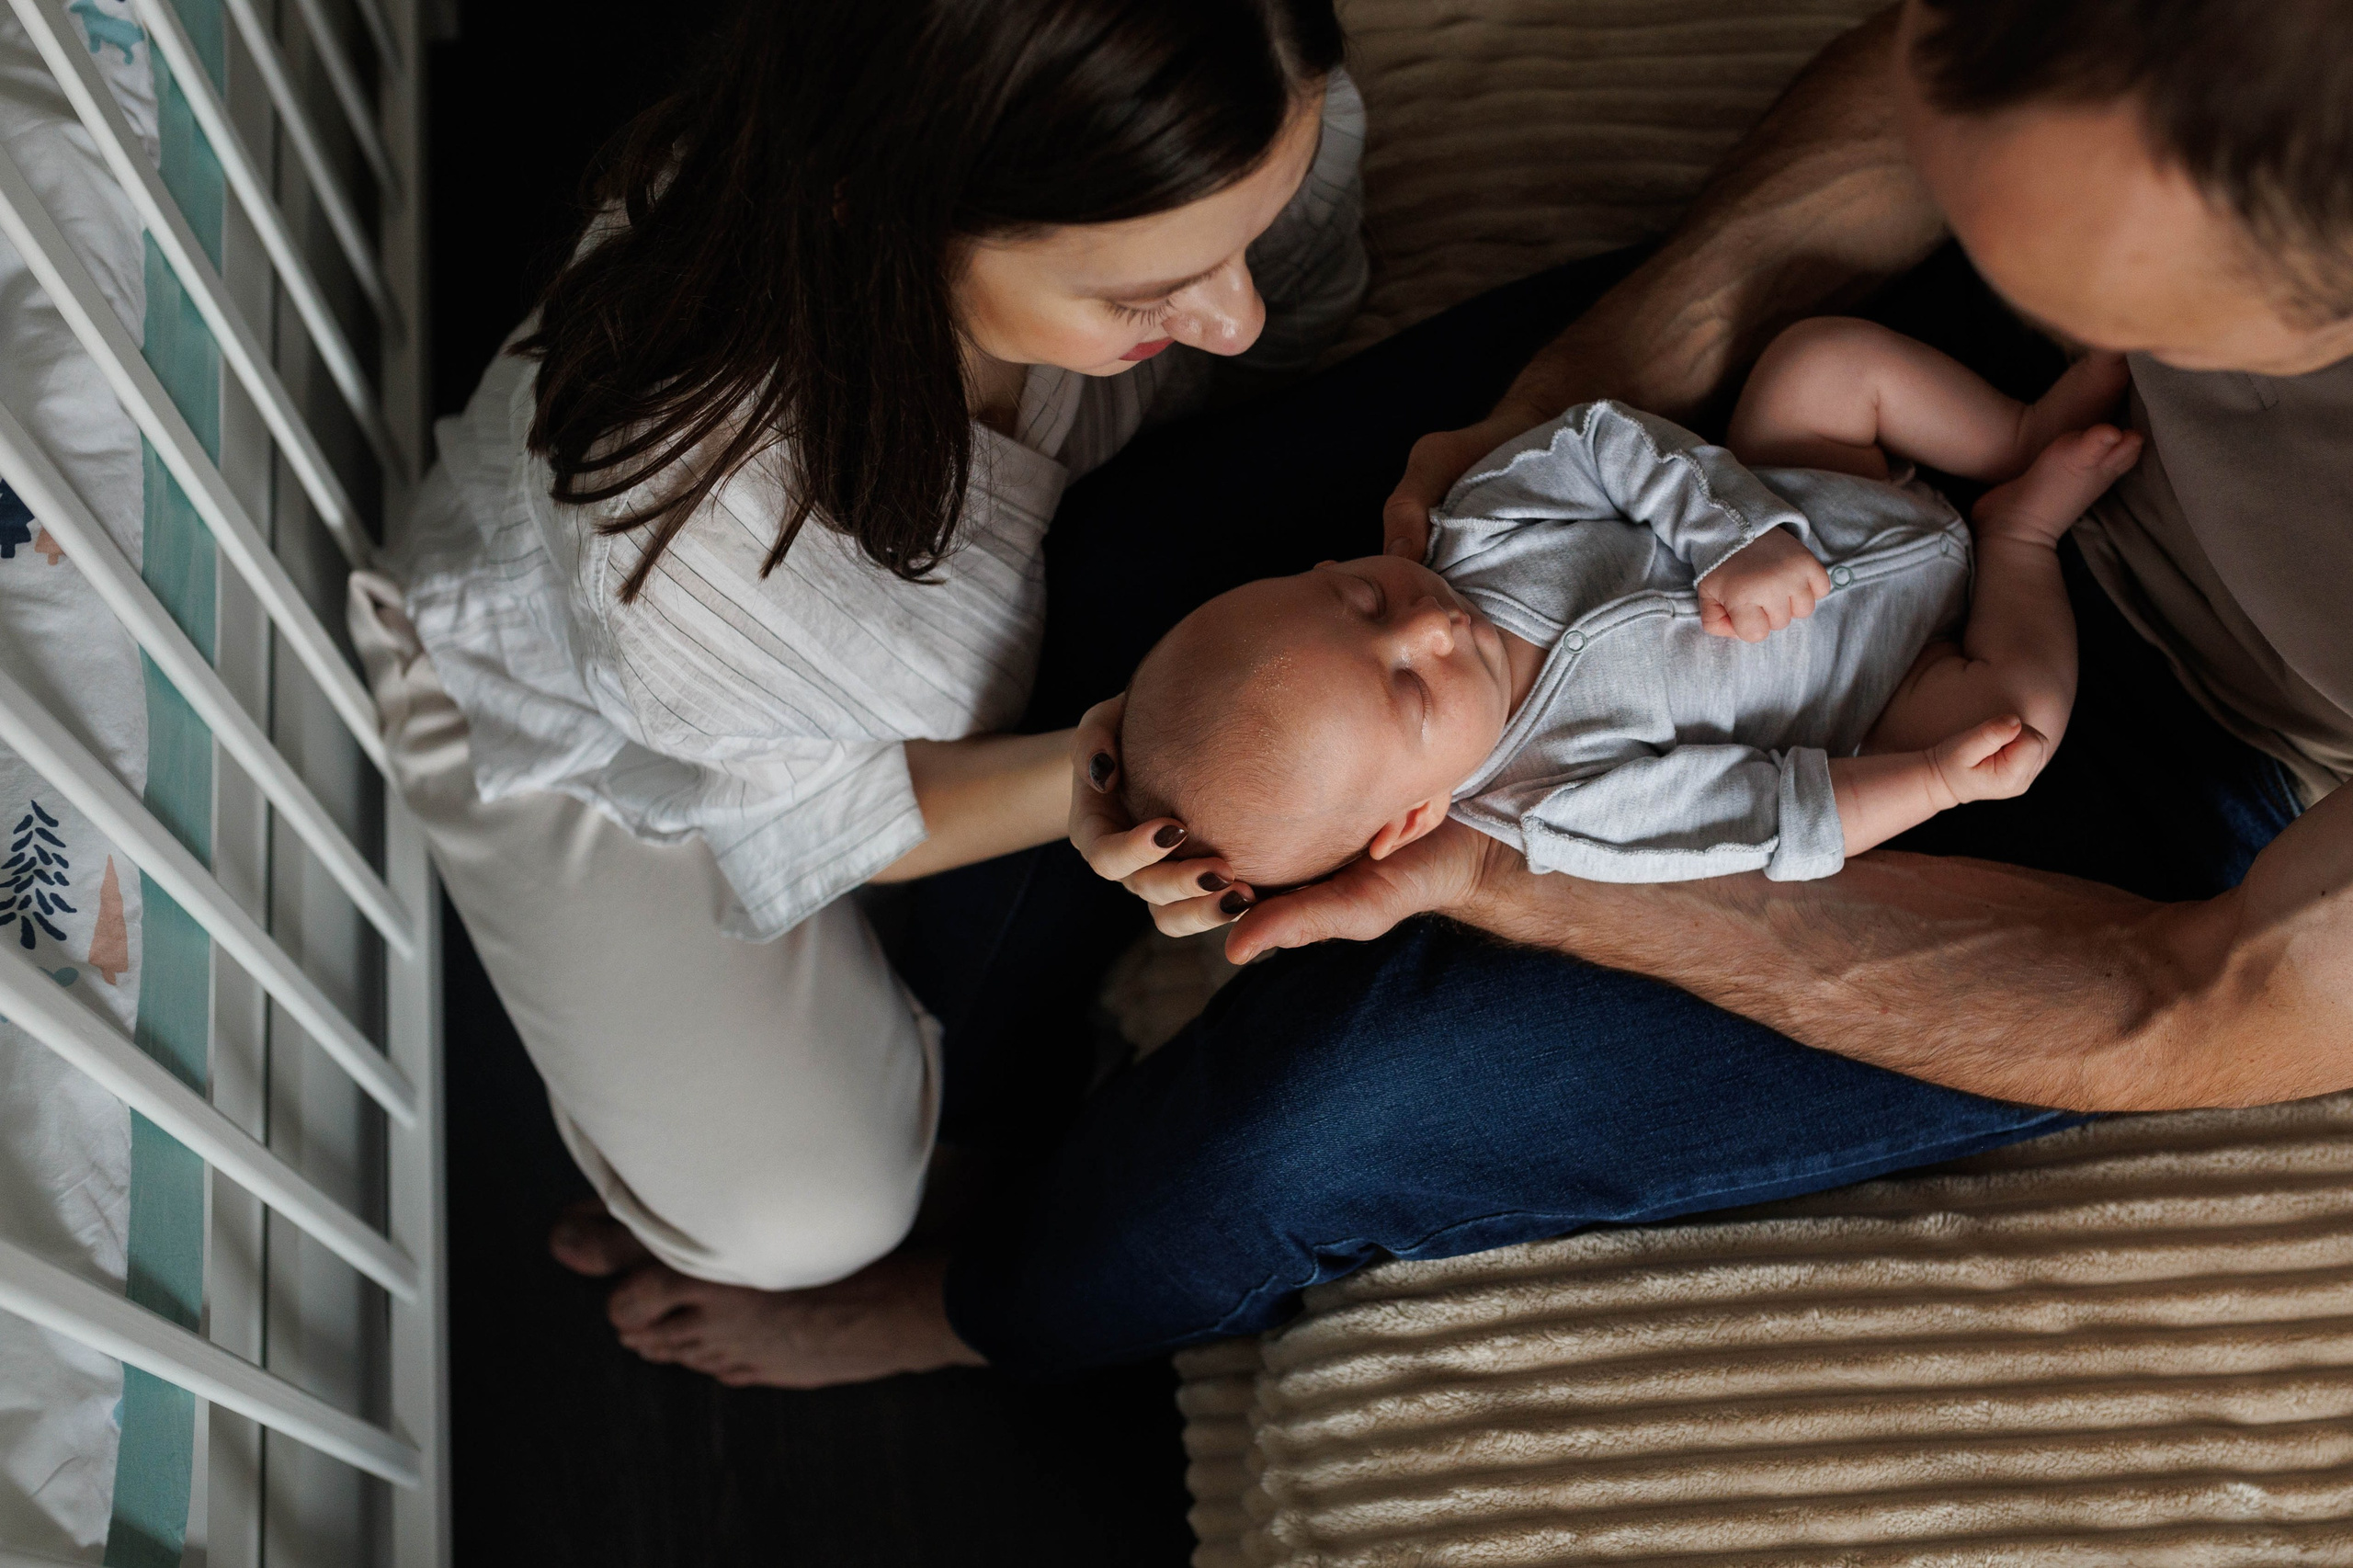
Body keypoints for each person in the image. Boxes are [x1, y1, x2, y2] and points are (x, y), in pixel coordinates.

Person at [582, 0, 2347, 1387]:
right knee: (1132, 594)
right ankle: (956, 1094)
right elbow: (1900, 111)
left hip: (2142, 721)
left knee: (1313, 1121)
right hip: (1839, 460)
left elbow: (2201, 1004)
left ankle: (989, 1300)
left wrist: (1540, 880)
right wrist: (1585, 396)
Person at [346, 0, 1367, 1380]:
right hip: (585, 726)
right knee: (805, 1210)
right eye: (1147, 298)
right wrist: (1095, 773)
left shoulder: (1229, 96)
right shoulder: (689, 552)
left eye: (1247, 237)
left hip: (829, 668)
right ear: (887, 215)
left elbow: (1283, 325)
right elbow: (833, 814)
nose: (1228, 320)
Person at [1113, 328, 2140, 891]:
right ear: (1413, 817)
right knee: (2011, 735)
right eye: (1411, 688)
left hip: (1802, 489)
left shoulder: (1475, 526)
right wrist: (1928, 781)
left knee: (1814, 366)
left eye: (1359, 595)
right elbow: (1760, 817)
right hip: (1885, 682)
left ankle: (2009, 435)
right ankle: (2020, 536)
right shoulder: (1559, 806)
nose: (1428, 624)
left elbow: (1607, 439)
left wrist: (1735, 535)